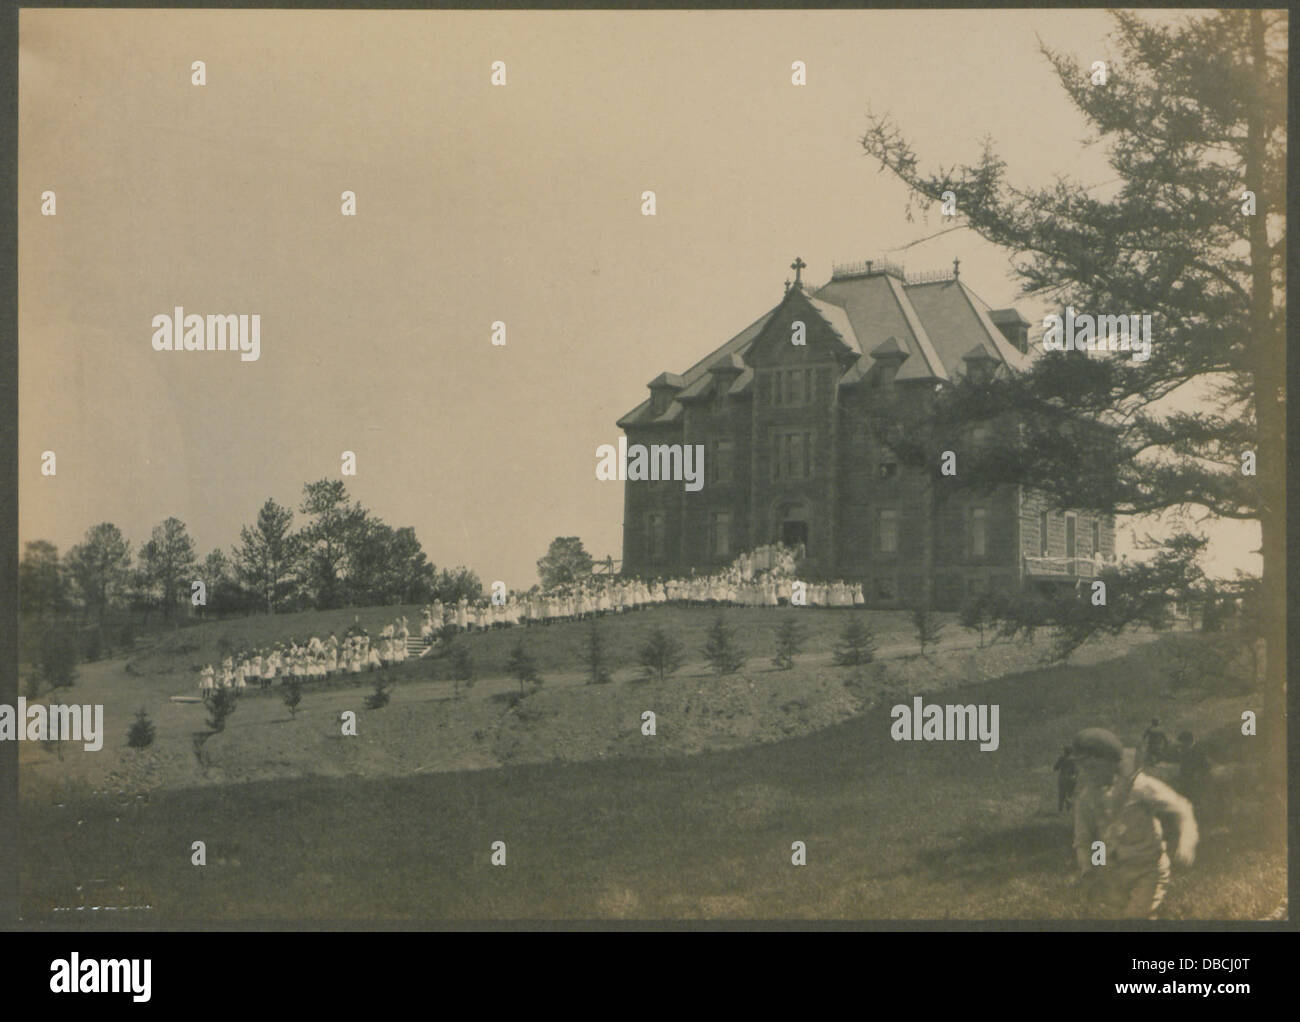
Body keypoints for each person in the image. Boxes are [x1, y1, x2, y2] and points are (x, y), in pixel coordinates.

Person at [1070, 727, 1197, 920]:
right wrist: (1089, 870)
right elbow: (1085, 839)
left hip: (1147, 869)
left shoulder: (1139, 786)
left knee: (1137, 917)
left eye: (1093, 767)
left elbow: (1181, 808)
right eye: (1083, 768)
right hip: (1113, 875)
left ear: (1112, 762)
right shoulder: (1086, 799)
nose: (1087, 774)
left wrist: (1186, 841)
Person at [1053, 746, 1077, 812]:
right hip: (1071, 778)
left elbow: (1055, 768)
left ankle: (1060, 810)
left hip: (1063, 777)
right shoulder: (1073, 759)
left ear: (1064, 751)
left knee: (1061, 794)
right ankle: (1068, 810)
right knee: (1069, 794)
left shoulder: (1061, 758)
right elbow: (1076, 770)